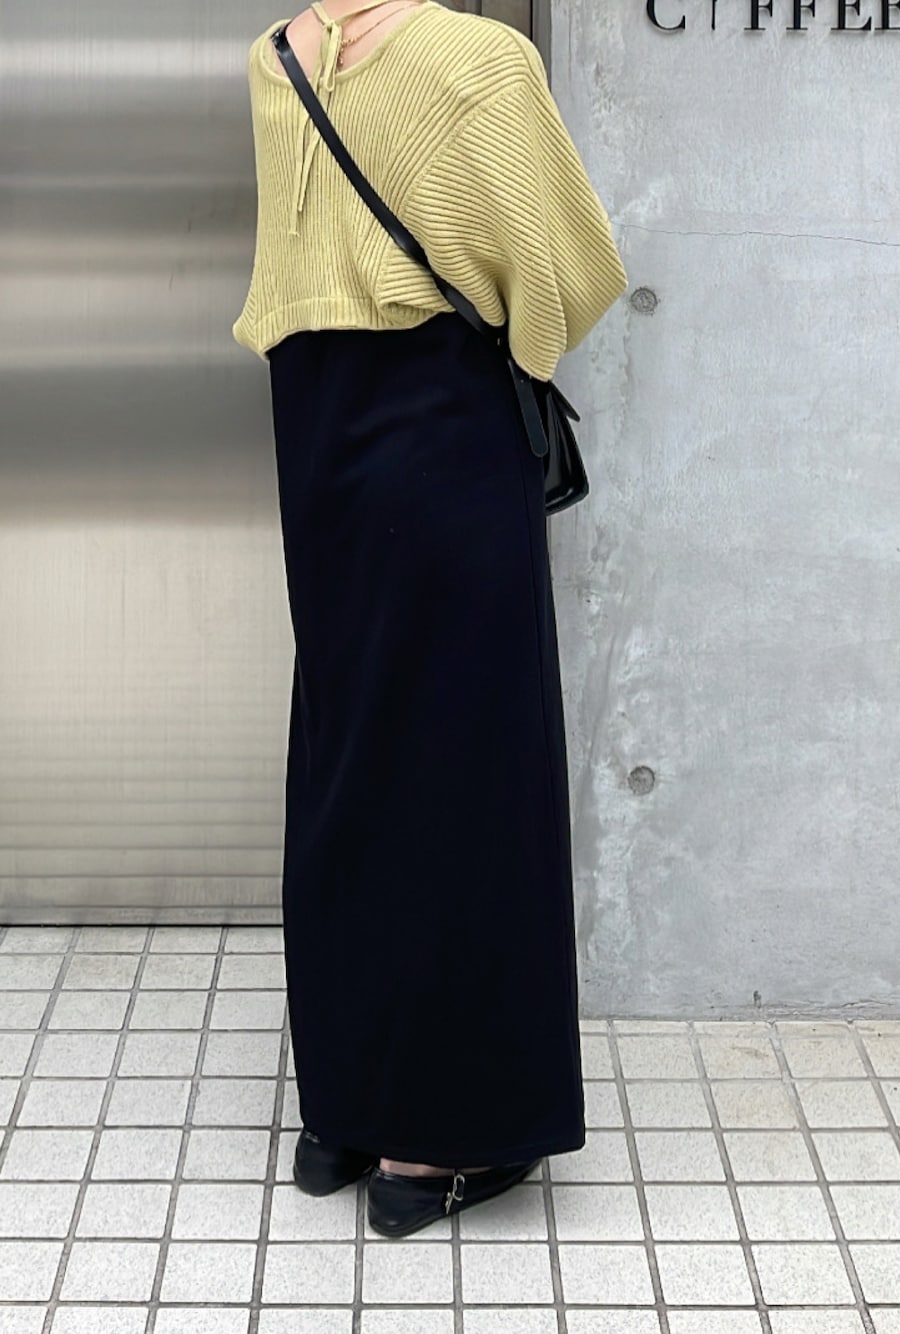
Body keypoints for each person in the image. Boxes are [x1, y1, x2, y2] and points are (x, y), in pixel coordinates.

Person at [232, 0, 627, 1239]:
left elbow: (295, 271)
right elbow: (567, 274)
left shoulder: (274, 56)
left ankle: (343, 1110)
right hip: (437, 424)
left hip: (316, 434)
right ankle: (439, 1135)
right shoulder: (478, 60)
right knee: (467, 760)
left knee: (350, 746)